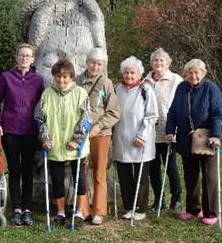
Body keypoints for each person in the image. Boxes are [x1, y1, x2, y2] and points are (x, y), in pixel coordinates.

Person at [166, 59, 222, 226]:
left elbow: (218, 114)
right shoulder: (181, 88)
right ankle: (193, 209)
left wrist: (215, 135)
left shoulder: (210, 88)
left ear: (203, 73)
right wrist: (170, 131)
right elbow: (173, 112)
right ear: (186, 74)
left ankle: (211, 212)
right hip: (186, 139)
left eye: (196, 72)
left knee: (209, 177)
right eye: (190, 72)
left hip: (208, 140)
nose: (193, 76)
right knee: (190, 175)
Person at [0, 43, 44, 226]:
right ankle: (16, 208)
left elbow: (42, 105)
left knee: (28, 171)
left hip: (30, 132)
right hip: (10, 131)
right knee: (14, 171)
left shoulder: (38, 80)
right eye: (22, 55)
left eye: (28, 55)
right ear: (16, 57)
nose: (24, 58)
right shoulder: (6, 77)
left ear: (33, 59)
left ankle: (27, 209)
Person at [34, 58, 92, 229]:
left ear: (71, 77)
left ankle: (79, 214)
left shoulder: (80, 93)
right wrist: (44, 138)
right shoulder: (47, 94)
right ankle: (60, 213)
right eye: (58, 76)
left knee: (79, 180)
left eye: (65, 77)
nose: (61, 80)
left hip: (76, 147)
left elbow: (87, 119)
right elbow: (39, 118)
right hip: (54, 146)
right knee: (57, 180)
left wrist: (77, 139)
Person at [75, 47, 120, 225]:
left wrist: (99, 125)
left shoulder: (106, 83)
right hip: (81, 133)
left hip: (100, 133)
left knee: (100, 171)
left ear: (103, 66)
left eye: (99, 64)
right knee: (82, 172)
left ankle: (98, 211)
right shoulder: (77, 81)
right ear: (87, 62)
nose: (95, 66)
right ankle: (83, 209)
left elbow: (114, 111)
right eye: (92, 62)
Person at [112, 56, 159, 221]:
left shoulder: (146, 90)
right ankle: (128, 206)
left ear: (139, 74)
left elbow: (152, 115)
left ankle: (140, 209)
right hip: (121, 139)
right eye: (126, 73)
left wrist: (142, 135)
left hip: (139, 140)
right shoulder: (117, 88)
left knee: (140, 175)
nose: (129, 76)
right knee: (124, 175)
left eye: (132, 73)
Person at [144, 48, 183, 213]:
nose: (158, 63)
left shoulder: (176, 80)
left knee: (171, 167)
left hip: (168, 132)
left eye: (162, 61)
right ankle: (159, 200)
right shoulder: (145, 81)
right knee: (153, 169)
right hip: (150, 133)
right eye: (155, 60)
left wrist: (176, 128)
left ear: (168, 63)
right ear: (151, 63)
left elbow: (180, 106)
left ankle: (176, 199)